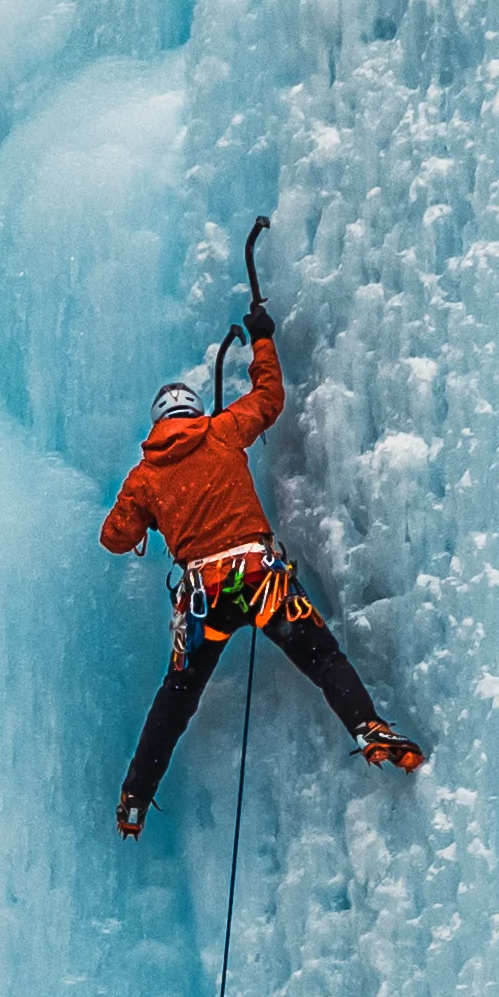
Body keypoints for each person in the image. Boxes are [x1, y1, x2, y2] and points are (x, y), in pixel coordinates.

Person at [103, 312, 417, 832]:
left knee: (177, 700)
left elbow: (113, 537)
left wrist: (146, 515)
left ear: (158, 425)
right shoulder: (222, 432)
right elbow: (270, 397)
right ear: (193, 412)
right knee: (322, 657)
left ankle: (135, 796)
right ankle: (369, 729)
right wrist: (264, 338)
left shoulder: (145, 477)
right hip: (259, 580)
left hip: (205, 600)